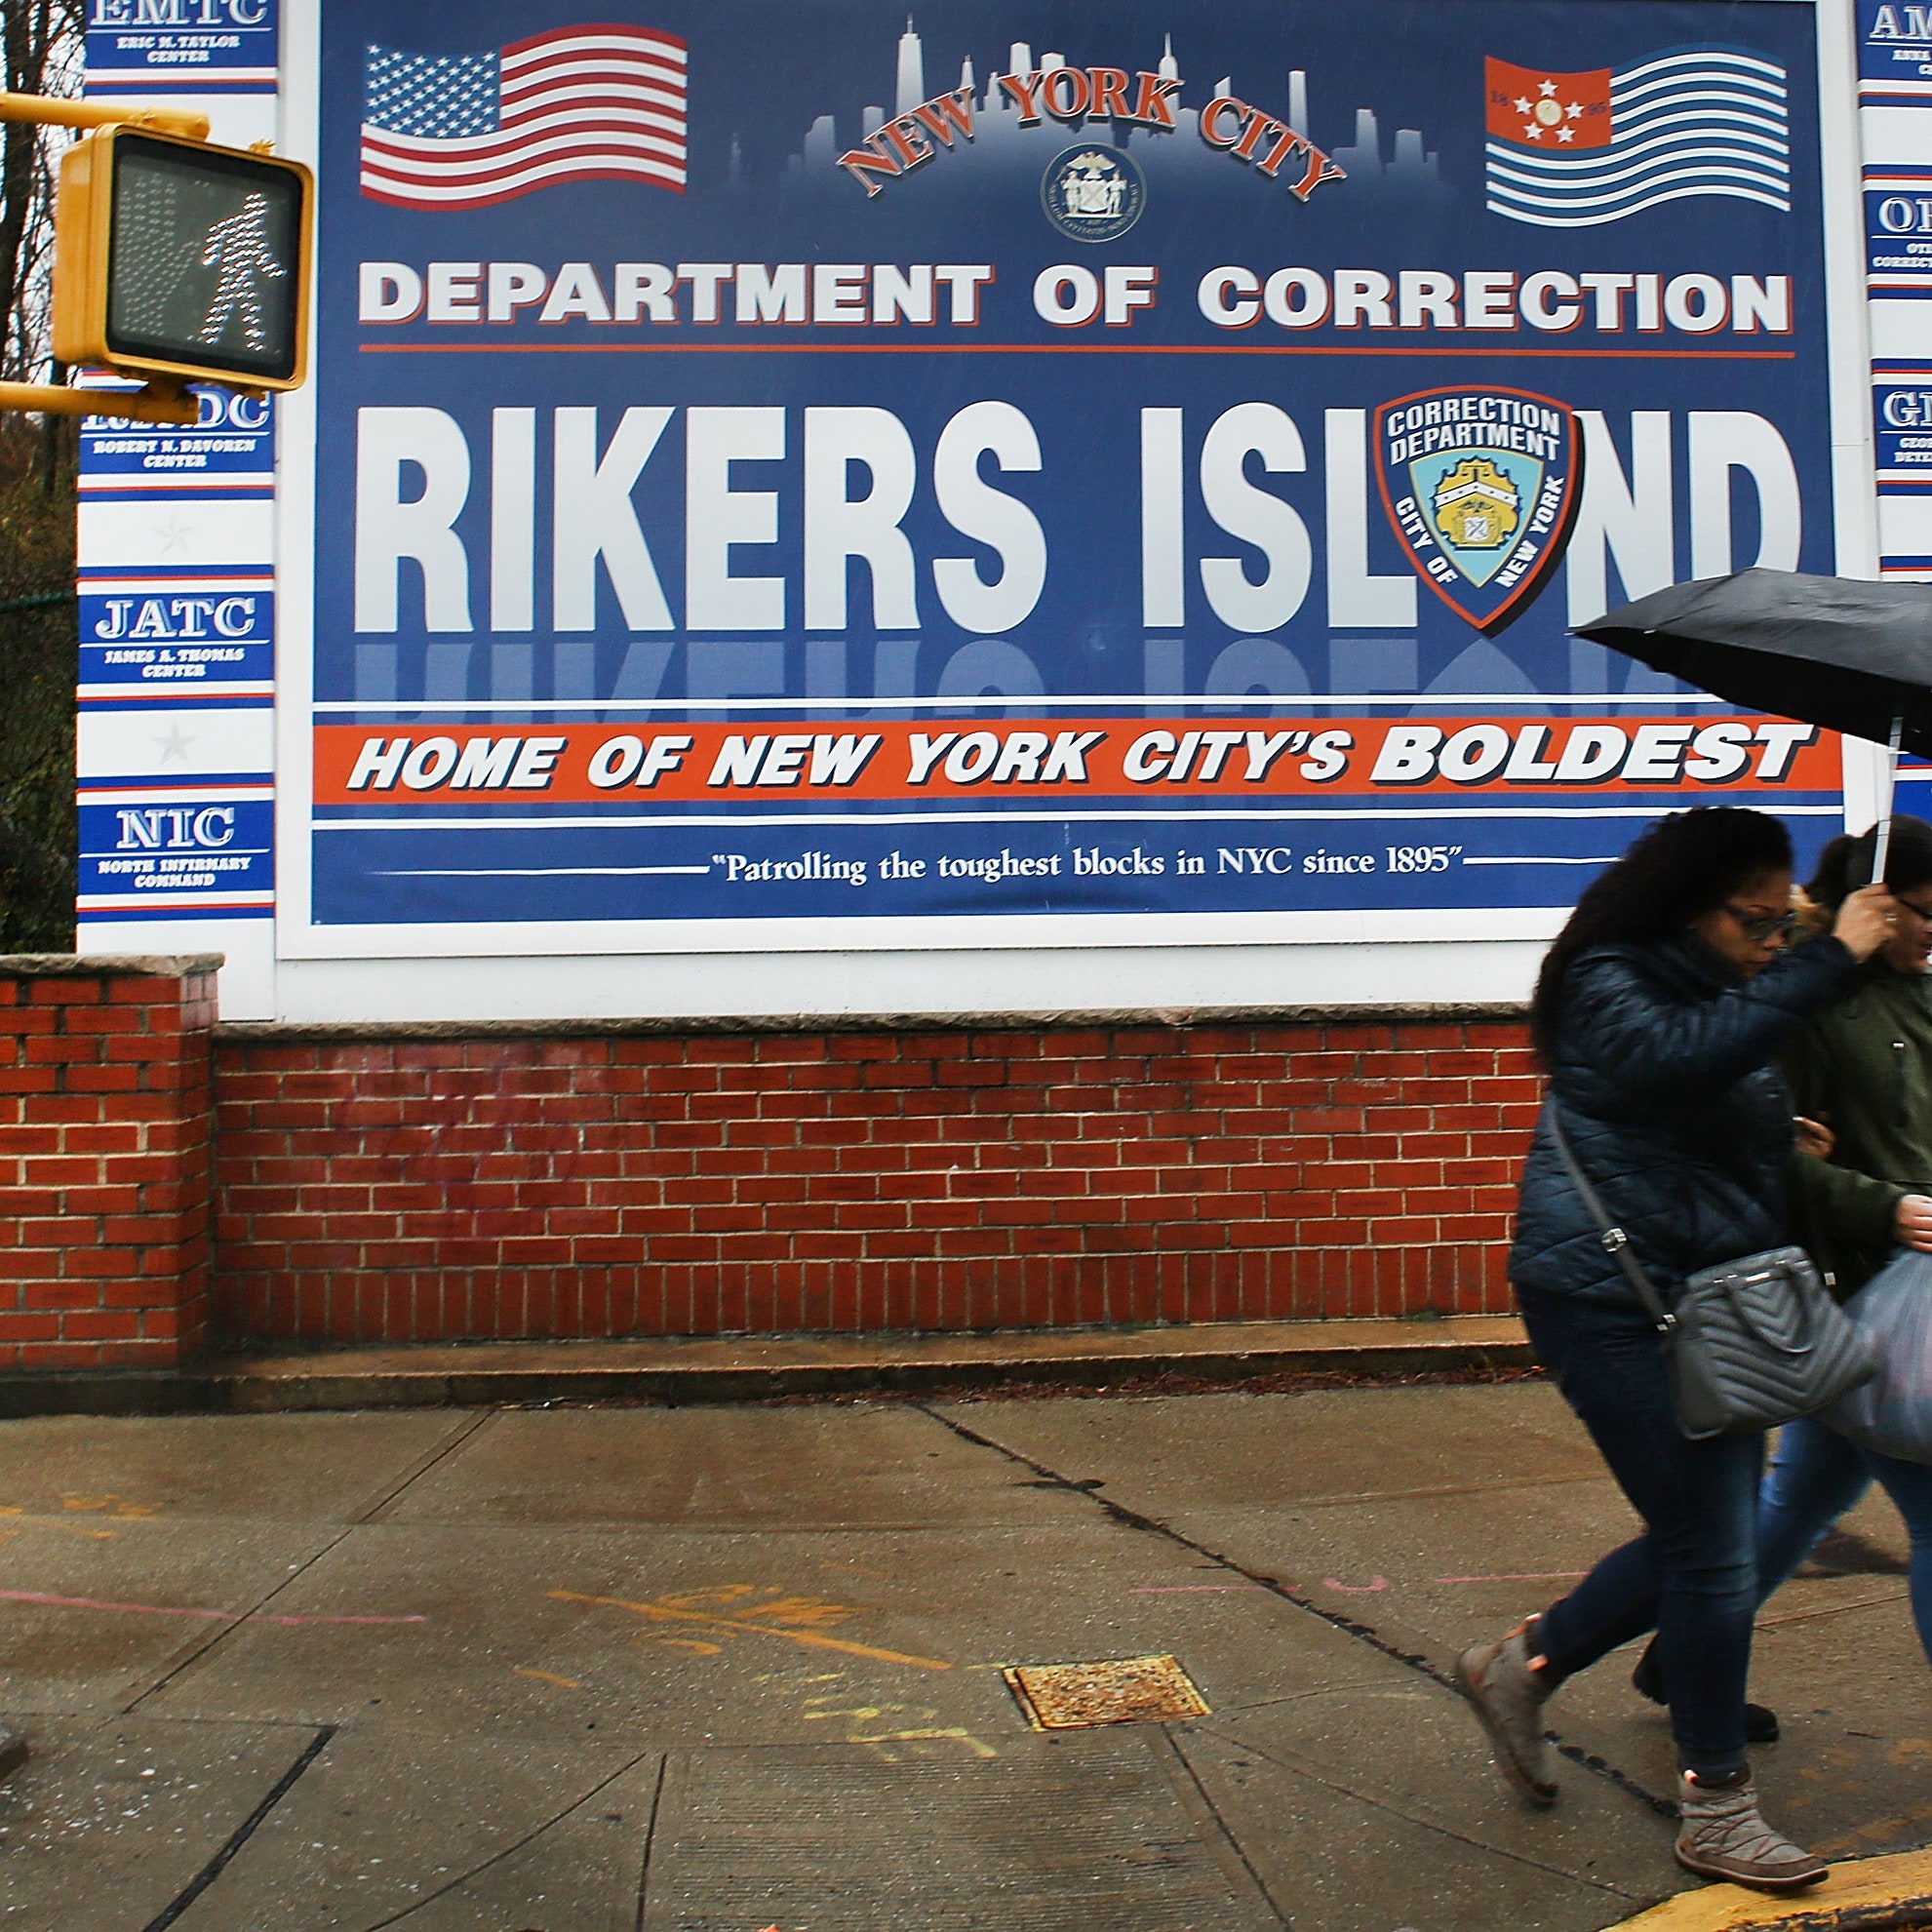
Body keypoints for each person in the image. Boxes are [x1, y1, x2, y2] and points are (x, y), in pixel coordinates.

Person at [1459, 806, 1894, 1892]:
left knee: (1713, 1536)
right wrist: (1837, 951)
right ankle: (1716, 1801)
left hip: (1696, 1292)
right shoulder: (1610, 975)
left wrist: (1775, 1135)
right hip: (1606, 1296)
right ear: (1687, 905)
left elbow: (1689, 1097)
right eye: (1756, 920)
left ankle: (1523, 1662)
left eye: (1781, 922)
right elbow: (1669, 1064)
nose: (1770, 941)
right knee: (1711, 1544)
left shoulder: (1706, 980)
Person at [1753, 819, 1932, 1667]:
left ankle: (1682, 1654)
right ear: (1876, 904)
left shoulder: (1917, 991)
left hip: (1909, 1286)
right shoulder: (1806, 1002)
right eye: (1926, 913)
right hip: (1862, 1288)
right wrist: (1884, 1208)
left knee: (1801, 1497)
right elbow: (1762, 1160)